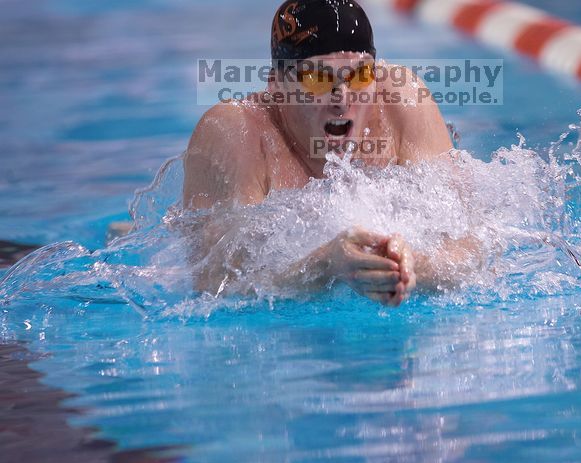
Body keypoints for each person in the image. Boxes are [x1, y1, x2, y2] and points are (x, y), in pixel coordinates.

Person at [184, 0, 477, 306]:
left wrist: (412, 265)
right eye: (317, 79)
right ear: (277, 83)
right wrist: (325, 265)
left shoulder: (403, 103)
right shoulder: (238, 133)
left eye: (360, 76)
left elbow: (471, 248)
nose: (342, 99)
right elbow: (214, 284)